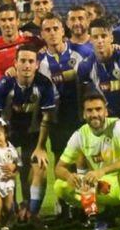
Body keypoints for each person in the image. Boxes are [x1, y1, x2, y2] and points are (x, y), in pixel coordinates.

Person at [54, 91, 120, 230]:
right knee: (60, 187)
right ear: (84, 114)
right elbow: (59, 168)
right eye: (90, 110)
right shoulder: (80, 135)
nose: (94, 114)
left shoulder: (118, 126)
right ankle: (102, 216)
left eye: (98, 109)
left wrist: (102, 171)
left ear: (105, 111)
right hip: (104, 185)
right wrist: (69, 176)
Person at [0, 44, 55, 225]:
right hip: (8, 136)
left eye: (30, 61)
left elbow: (47, 118)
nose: (26, 65)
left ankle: (32, 213)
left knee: (38, 168)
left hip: (33, 134)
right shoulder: (4, 84)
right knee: (7, 170)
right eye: (23, 61)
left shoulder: (44, 84)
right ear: (15, 63)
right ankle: (11, 212)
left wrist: (41, 147)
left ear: (36, 64)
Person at [78, 18, 120, 131]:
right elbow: (87, 98)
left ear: (111, 37)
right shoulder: (86, 66)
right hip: (106, 120)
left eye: (103, 36)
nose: (100, 41)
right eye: (95, 37)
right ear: (90, 39)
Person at [36, 13, 84, 163]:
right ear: (42, 34)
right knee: (60, 160)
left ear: (63, 31)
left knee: (83, 160)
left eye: (55, 28)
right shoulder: (39, 63)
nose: (52, 33)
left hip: (80, 117)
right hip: (56, 119)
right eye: (47, 30)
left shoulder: (79, 55)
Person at [0, 4, 32, 82]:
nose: (7, 24)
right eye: (3, 20)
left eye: (11, 19)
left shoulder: (29, 42)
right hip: (2, 91)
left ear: (18, 21)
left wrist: (17, 70)